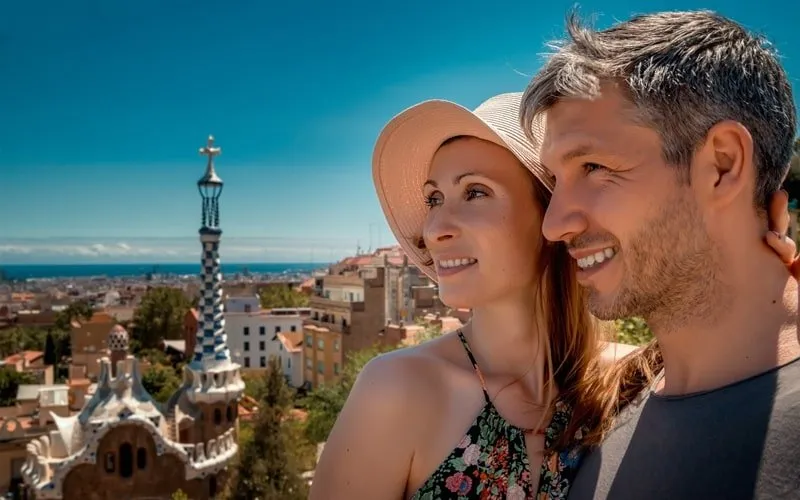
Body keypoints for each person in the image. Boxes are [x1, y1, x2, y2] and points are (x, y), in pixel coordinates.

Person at [520, 10, 800, 499]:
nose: (554, 224)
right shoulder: (603, 413)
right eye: (555, 182)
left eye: (593, 166)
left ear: (721, 165)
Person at [310, 93, 641, 500]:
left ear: (551, 216)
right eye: (434, 199)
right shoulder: (397, 390)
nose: (434, 230)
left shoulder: (632, 383)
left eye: (475, 193)